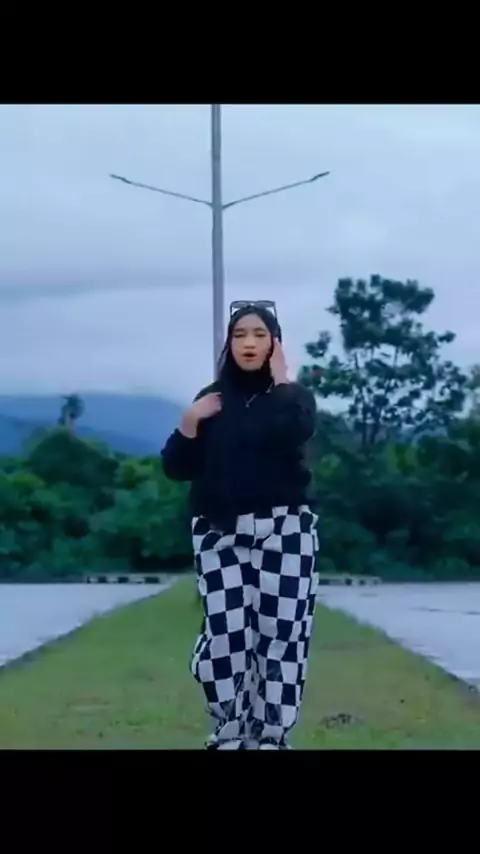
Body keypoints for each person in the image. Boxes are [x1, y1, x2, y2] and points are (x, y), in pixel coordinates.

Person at [161, 303, 319, 750]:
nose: (249, 343)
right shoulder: (212, 399)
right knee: (226, 637)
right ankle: (229, 732)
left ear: (274, 343)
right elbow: (176, 467)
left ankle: (271, 736)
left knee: (282, 636)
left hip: (286, 533)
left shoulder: (293, 397)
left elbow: (296, 430)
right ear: (229, 344)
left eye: (259, 334)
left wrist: (282, 380)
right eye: (240, 335)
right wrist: (190, 422)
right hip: (220, 533)